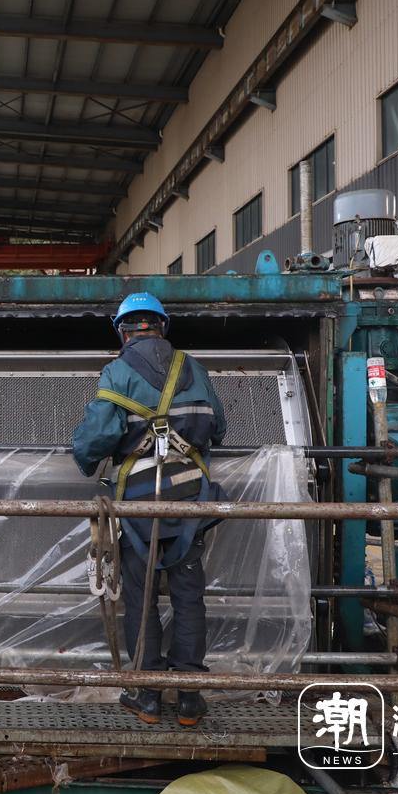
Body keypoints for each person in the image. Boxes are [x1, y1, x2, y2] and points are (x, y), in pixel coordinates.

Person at [72, 293, 227, 727]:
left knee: (141, 597)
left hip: (141, 503)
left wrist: (83, 459)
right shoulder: (192, 367)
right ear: (162, 326)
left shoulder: (118, 371)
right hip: (191, 500)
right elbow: (218, 423)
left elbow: (96, 438)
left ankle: (149, 696)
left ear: (122, 330)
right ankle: (192, 697)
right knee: (188, 592)